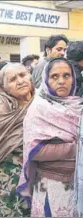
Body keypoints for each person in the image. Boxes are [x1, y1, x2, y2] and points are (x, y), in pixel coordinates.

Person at [17, 58, 83, 217]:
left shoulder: (78, 106)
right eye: (55, 76)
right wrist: (75, 148)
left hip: (78, 184)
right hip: (52, 187)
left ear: (73, 79)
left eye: (66, 76)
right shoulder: (38, 109)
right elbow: (35, 151)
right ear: (46, 79)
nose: (61, 81)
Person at [0, 63, 34, 217]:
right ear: (4, 87)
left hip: (40, 178)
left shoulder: (40, 106)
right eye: (12, 79)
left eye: (22, 75)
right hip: (8, 181)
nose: (20, 81)